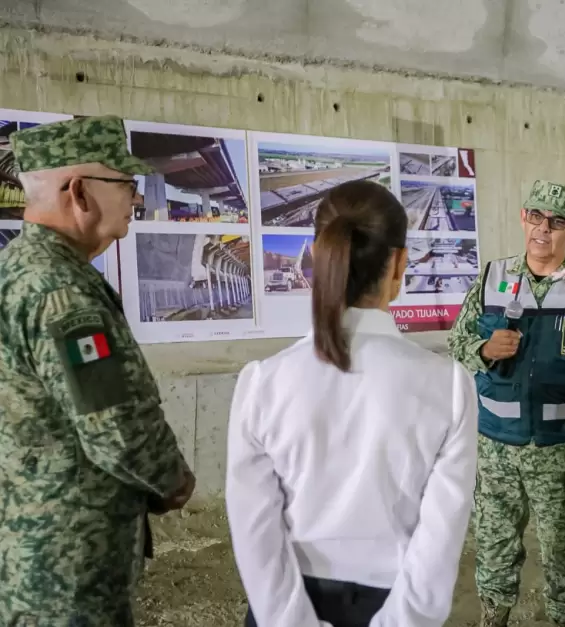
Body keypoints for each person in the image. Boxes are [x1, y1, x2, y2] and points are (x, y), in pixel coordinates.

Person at [226, 180, 478, 627]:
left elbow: (256, 535)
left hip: (285, 607)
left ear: (321, 256)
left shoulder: (262, 382)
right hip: (395, 608)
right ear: (399, 263)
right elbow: (438, 544)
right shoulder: (450, 387)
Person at [0, 115, 195, 625]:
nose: (136, 197)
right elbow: (115, 426)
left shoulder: (18, 268)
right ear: (79, 192)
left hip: (29, 538)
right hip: (69, 559)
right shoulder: (60, 293)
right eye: (126, 184)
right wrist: (173, 480)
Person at [448, 180, 565, 627]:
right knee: (493, 547)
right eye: (535, 216)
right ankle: (495, 618)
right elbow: (457, 341)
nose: (543, 229)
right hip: (496, 448)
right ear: (523, 217)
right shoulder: (493, 276)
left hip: (562, 450)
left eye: (557, 221)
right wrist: (485, 350)